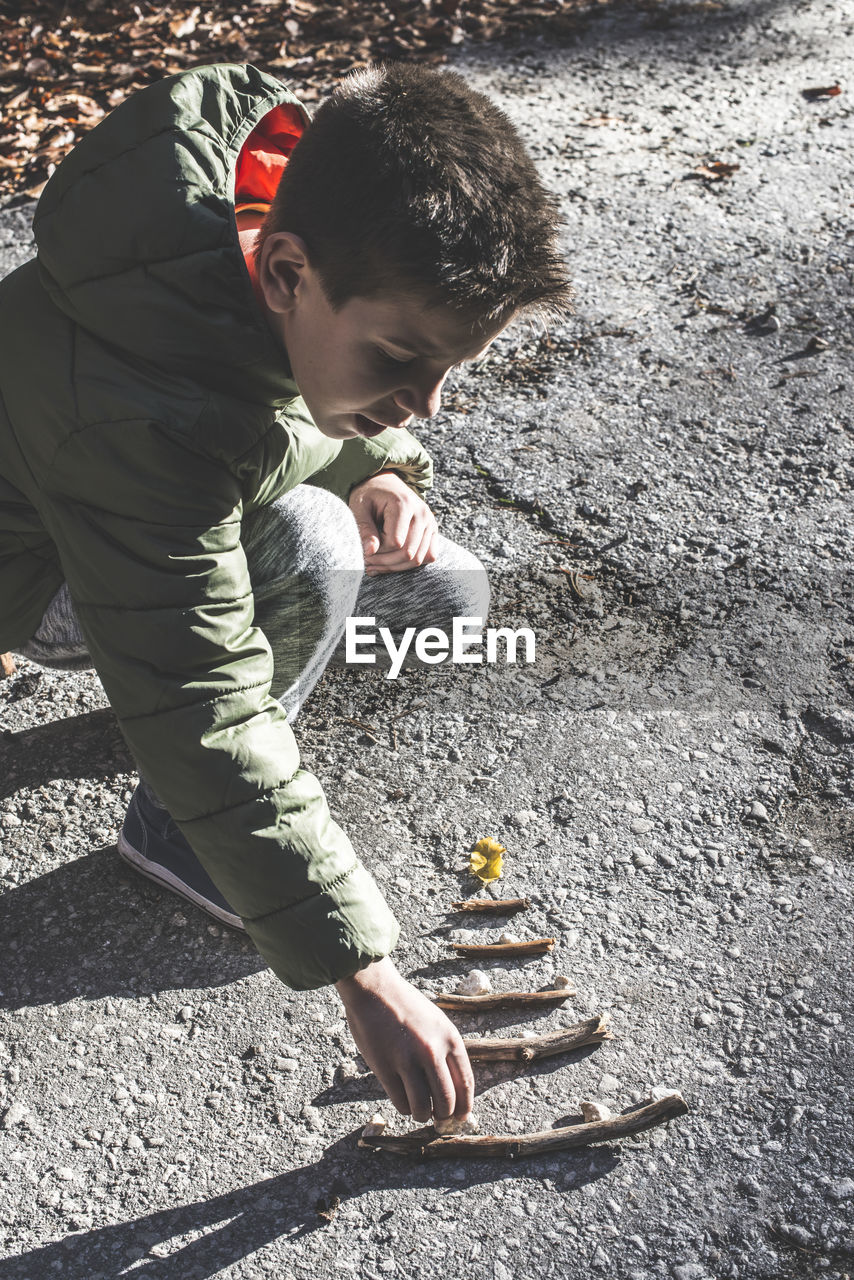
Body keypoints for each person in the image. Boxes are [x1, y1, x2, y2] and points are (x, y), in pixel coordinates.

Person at [0, 61, 572, 1129]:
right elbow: (200, 696)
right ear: (287, 273)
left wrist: (381, 465)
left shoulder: (276, 222)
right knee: (308, 549)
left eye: (446, 370)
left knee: (443, 593)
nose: (428, 402)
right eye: (401, 358)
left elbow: (272, 387)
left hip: (160, 527)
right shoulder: (132, 415)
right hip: (41, 573)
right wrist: (360, 967)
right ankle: (177, 830)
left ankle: (204, 741)